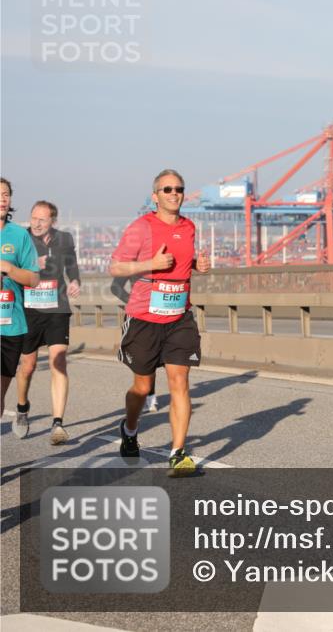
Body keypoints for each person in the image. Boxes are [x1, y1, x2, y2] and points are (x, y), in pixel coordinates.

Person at [110, 169, 209, 476]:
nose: (173, 193)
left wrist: (197, 264)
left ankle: (178, 453)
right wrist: (149, 265)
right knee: (142, 387)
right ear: (155, 196)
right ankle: (129, 429)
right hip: (144, 319)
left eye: (178, 188)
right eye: (167, 189)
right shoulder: (141, 228)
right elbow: (115, 267)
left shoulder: (189, 227)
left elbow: (183, 261)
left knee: (180, 380)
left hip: (179, 318)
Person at [14, 201, 81, 444]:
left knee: (58, 362)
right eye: (34, 218)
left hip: (57, 310)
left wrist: (75, 281)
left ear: (53, 221)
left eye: (42, 219)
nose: (37, 223)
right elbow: (11, 270)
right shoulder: (21, 238)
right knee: (28, 366)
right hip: (28, 310)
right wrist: (33, 266)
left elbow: (72, 265)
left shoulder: (64, 239)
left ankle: (58, 424)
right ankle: (22, 408)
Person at [1, 178, 40, 434]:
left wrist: (10, 269)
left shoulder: (18, 235)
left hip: (9, 324)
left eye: (6, 194)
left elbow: (33, 278)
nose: (3, 199)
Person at [111, 276, 159, 412]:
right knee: (143, 360)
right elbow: (115, 286)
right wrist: (133, 302)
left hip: (161, 314)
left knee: (155, 359)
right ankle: (149, 395)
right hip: (139, 316)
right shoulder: (134, 261)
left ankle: (150, 395)